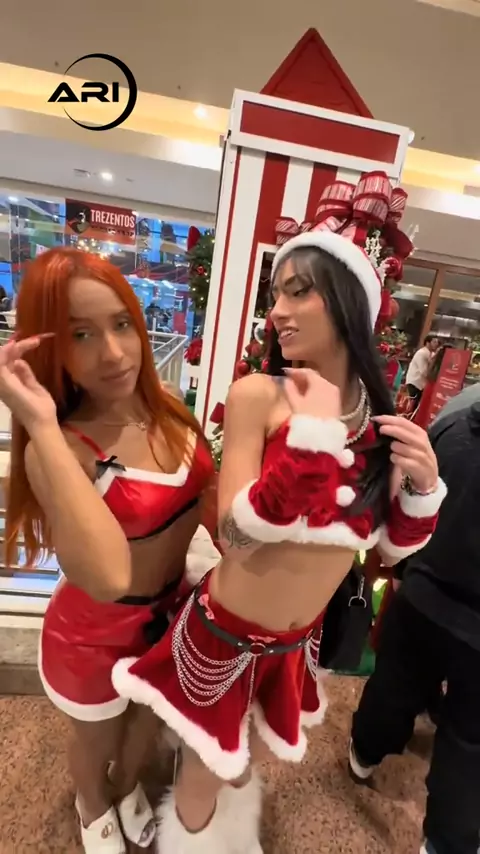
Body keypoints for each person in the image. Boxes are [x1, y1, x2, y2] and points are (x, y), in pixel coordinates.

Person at [111, 220, 446, 853]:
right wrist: (308, 442)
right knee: (204, 776)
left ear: (348, 304)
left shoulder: (380, 426)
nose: (277, 314)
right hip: (223, 638)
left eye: (298, 292)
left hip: (295, 647)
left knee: (247, 762)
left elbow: (386, 550)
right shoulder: (258, 395)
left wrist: (423, 488)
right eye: (275, 296)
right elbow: (234, 535)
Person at [2, 248, 218, 853]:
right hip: (92, 635)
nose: (116, 353)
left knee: (145, 723)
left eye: (122, 323)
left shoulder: (166, 405)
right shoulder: (59, 450)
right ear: (50, 349)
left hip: (169, 614)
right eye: (81, 335)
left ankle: (124, 788)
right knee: (95, 740)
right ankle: (91, 802)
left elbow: (210, 502)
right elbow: (106, 577)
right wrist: (41, 424)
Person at [349, 383, 480, 854]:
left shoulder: (457, 417)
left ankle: (364, 753)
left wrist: (402, 570)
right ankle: (446, 841)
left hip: (423, 588)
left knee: (395, 684)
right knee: (470, 740)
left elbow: (419, 497)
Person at [405, 334, 439, 406]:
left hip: (422, 384)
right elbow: (423, 372)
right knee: (413, 405)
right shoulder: (422, 353)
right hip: (415, 383)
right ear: (427, 343)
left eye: (437, 342)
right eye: (434, 342)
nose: (436, 344)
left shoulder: (431, 353)